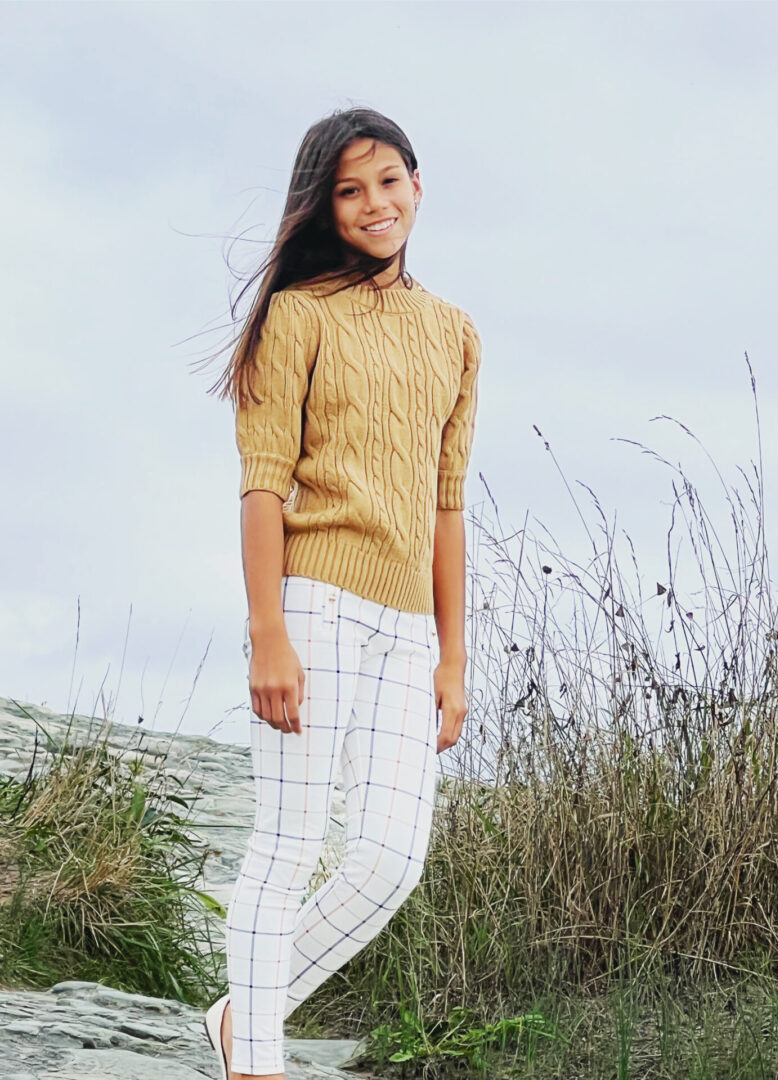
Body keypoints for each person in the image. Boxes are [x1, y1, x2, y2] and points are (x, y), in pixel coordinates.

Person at [202, 106, 482, 1080]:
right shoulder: (300, 315)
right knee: (286, 846)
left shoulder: (455, 334)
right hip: (313, 601)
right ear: (325, 205)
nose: (374, 204)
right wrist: (266, 631)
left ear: (417, 183)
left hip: (410, 631)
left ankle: (244, 1016)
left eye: (389, 182)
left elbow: (448, 510)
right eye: (350, 189)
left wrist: (453, 656)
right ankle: (256, 1066)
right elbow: (261, 484)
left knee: (387, 864)